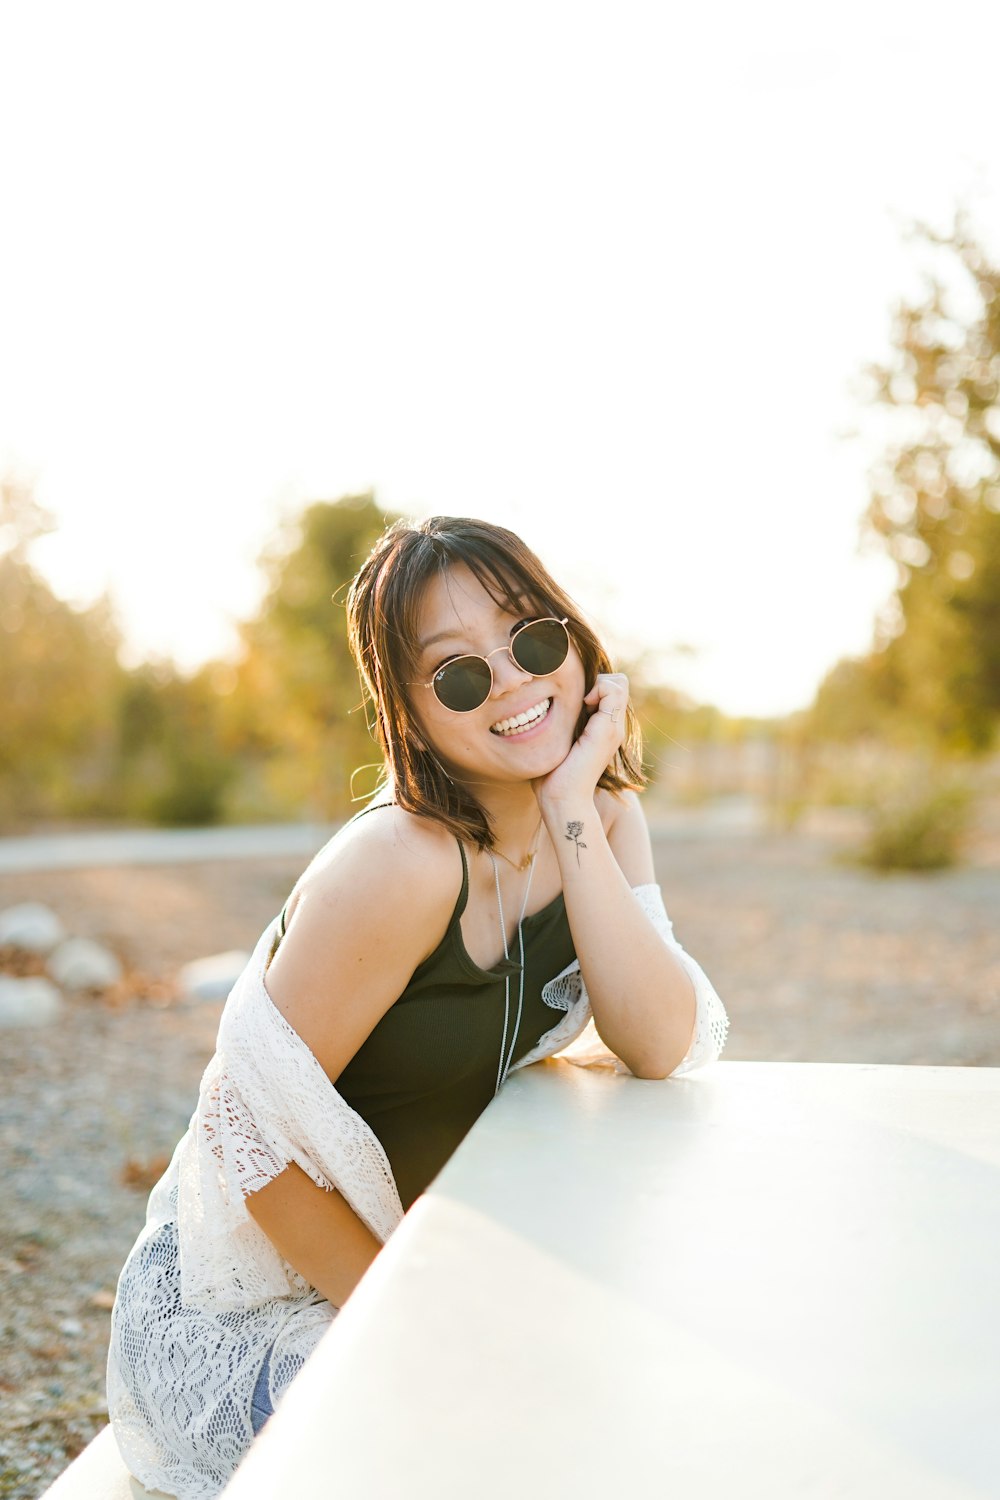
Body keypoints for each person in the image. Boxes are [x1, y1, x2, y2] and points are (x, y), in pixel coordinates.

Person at [107, 515, 729, 1498]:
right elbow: (242, 1140)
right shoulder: (397, 865)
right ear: (407, 707)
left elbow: (656, 1043)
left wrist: (573, 806)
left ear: (573, 640)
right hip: (257, 1303)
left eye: (532, 640)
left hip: (417, 1257)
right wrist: (416, 1321)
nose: (515, 684)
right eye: (461, 674)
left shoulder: (599, 814)